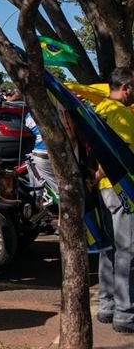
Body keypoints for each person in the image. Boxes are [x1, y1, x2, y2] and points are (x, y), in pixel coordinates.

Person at [67, 68, 134, 335]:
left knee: (110, 248)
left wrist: (94, 176)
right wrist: (100, 174)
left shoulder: (99, 109)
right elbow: (122, 152)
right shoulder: (119, 114)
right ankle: (125, 313)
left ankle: (106, 306)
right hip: (123, 189)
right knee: (127, 251)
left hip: (104, 191)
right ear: (126, 88)